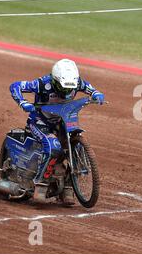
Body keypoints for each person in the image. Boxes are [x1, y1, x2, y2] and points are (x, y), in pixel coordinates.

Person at [10, 58, 105, 204]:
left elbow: (91, 89)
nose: (67, 92)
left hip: (62, 122)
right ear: (55, 81)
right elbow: (15, 86)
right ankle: (41, 185)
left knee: (75, 145)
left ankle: (68, 186)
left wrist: (97, 94)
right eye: (63, 88)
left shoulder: (78, 82)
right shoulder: (42, 83)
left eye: (70, 89)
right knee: (53, 146)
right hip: (40, 122)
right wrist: (22, 102)